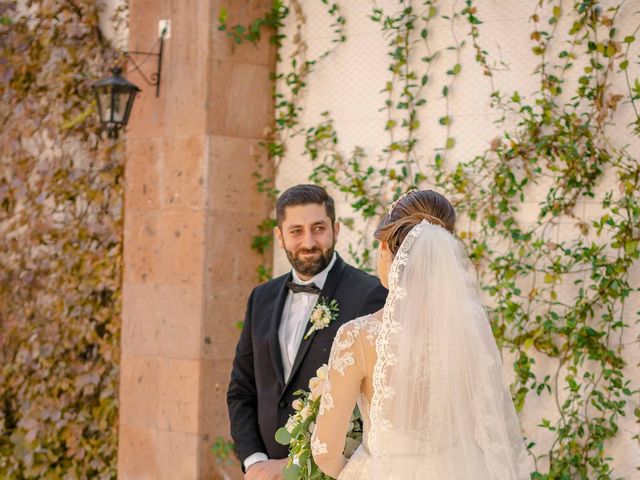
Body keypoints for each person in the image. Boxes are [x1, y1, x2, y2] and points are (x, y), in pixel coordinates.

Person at [312, 190, 533, 479]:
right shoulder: (471, 326)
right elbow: (486, 424)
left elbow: (325, 451)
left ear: (385, 248)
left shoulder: (358, 337)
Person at [227, 184, 388, 480]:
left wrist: (297, 465)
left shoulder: (371, 295)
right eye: (296, 231)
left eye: (318, 228)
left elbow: (378, 405)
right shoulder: (260, 298)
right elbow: (241, 390)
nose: (309, 242)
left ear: (336, 230)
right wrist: (254, 462)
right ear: (280, 236)